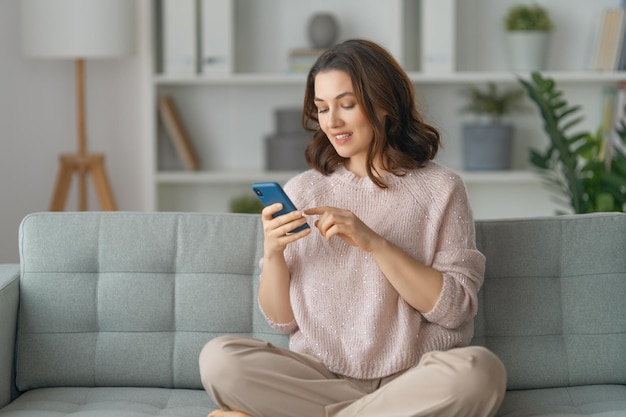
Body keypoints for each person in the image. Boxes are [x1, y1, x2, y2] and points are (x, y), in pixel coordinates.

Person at [199, 38, 507, 417]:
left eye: (346, 105)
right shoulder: (304, 189)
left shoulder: (442, 190)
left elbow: (455, 310)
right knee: (219, 360)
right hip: (320, 376)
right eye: (322, 108)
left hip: (410, 379)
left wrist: (375, 243)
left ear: (383, 102)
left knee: (479, 374)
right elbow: (282, 321)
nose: (332, 122)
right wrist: (274, 253)